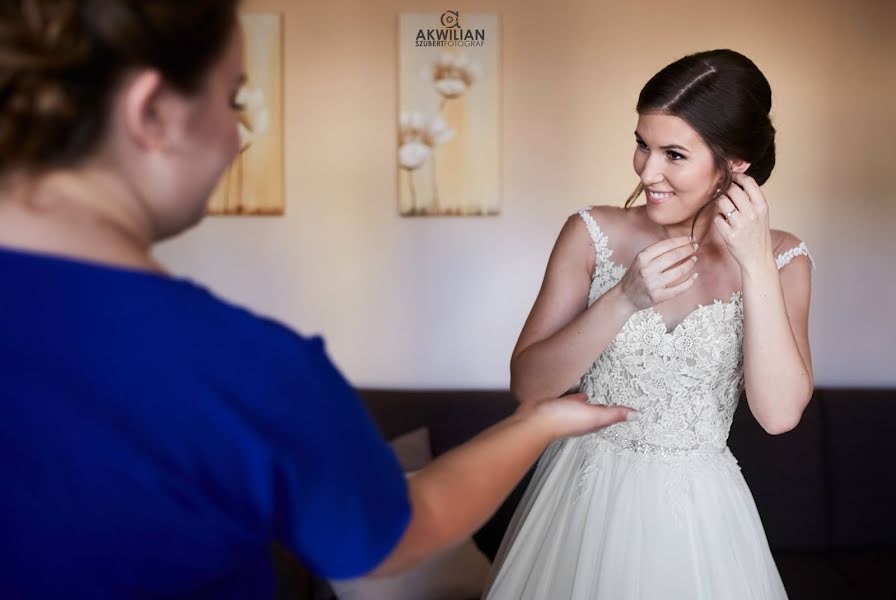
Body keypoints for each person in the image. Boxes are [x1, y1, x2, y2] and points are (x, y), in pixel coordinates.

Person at [0, 2, 636, 597]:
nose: (239, 135)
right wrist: (539, 421)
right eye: (234, 99)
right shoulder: (242, 367)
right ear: (152, 112)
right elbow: (401, 531)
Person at [484, 49, 816, 599]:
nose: (646, 170)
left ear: (734, 164)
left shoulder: (785, 259)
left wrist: (755, 261)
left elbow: (779, 414)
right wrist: (622, 299)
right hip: (583, 501)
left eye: (674, 154)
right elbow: (528, 386)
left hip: (702, 520)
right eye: (642, 144)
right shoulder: (591, 233)